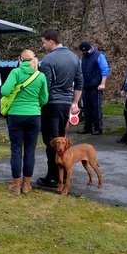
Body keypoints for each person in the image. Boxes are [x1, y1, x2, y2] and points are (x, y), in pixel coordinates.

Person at [36, 28, 83, 189]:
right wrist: (75, 103)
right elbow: (79, 81)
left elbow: (46, 86)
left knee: (52, 142)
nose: (43, 45)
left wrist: (40, 103)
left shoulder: (48, 60)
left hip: (51, 104)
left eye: (43, 42)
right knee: (61, 140)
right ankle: (60, 173)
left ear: (51, 41)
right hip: (65, 104)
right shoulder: (74, 57)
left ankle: (53, 176)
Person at [1, 50, 48, 194]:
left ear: (20, 59)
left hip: (15, 115)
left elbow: (4, 91)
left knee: (16, 150)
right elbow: (44, 99)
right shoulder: (40, 76)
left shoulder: (15, 72)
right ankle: (27, 185)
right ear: (33, 59)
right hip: (34, 116)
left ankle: (16, 186)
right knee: (30, 151)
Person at [76, 41, 110, 135]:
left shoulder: (99, 56)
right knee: (86, 107)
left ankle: (98, 128)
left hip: (96, 86)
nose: (84, 53)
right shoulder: (83, 57)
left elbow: (105, 70)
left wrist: (102, 84)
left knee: (96, 108)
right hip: (85, 86)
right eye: (83, 51)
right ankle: (87, 127)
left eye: (86, 51)